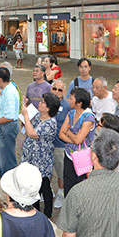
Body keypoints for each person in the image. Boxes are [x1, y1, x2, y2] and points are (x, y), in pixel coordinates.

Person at [21, 93, 60, 218]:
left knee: (44, 186)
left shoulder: (50, 123)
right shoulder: (39, 116)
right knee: (33, 185)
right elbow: (27, 126)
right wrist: (25, 108)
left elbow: (32, 133)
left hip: (42, 160)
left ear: (48, 108)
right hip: (31, 156)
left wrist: (26, 115)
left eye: (43, 102)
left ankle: (48, 214)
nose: (40, 103)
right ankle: (35, 209)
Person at [59, 88, 97, 196]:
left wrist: (68, 132)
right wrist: (72, 138)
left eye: (71, 98)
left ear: (79, 103)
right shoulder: (71, 113)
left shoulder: (88, 118)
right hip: (69, 155)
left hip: (82, 158)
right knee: (68, 184)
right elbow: (61, 134)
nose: (69, 100)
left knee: (80, 186)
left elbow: (78, 140)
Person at [49, 80, 71, 208]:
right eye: (54, 89)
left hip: (59, 145)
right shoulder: (46, 102)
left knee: (60, 172)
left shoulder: (67, 106)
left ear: (64, 91)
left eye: (60, 90)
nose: (57, 92)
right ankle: (48, 191)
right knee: (46, 170)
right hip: (46, 144)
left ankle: (61, 193)